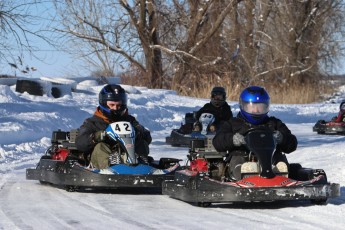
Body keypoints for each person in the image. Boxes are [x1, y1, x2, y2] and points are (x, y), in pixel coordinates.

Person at [212, 86, 297, 181]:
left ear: (266, 106)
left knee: (280, 162)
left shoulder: (273, 123)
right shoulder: (233, 123)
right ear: (243, 106)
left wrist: (282, 138)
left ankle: (280, 178)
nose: (256, 111)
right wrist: (232, 139)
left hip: (271, 158)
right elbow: (217, 142)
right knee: (240, 163)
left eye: (260, 107)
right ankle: (247, 180)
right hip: (242, 158)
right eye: (252, 107)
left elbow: (292, 144)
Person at [75, 84, 152, 169]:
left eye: (118, 105)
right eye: (112, 105)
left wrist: (138, 132)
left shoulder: (129, 120)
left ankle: (141, 165)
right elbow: (80, 143)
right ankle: (110, 167)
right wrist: (97, 136)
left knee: (141, 143)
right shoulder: (93, 122)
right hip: (101, 160)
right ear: (104, 104)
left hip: (128, 155)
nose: (116, 108)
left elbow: (147, 137)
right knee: (101, 146)